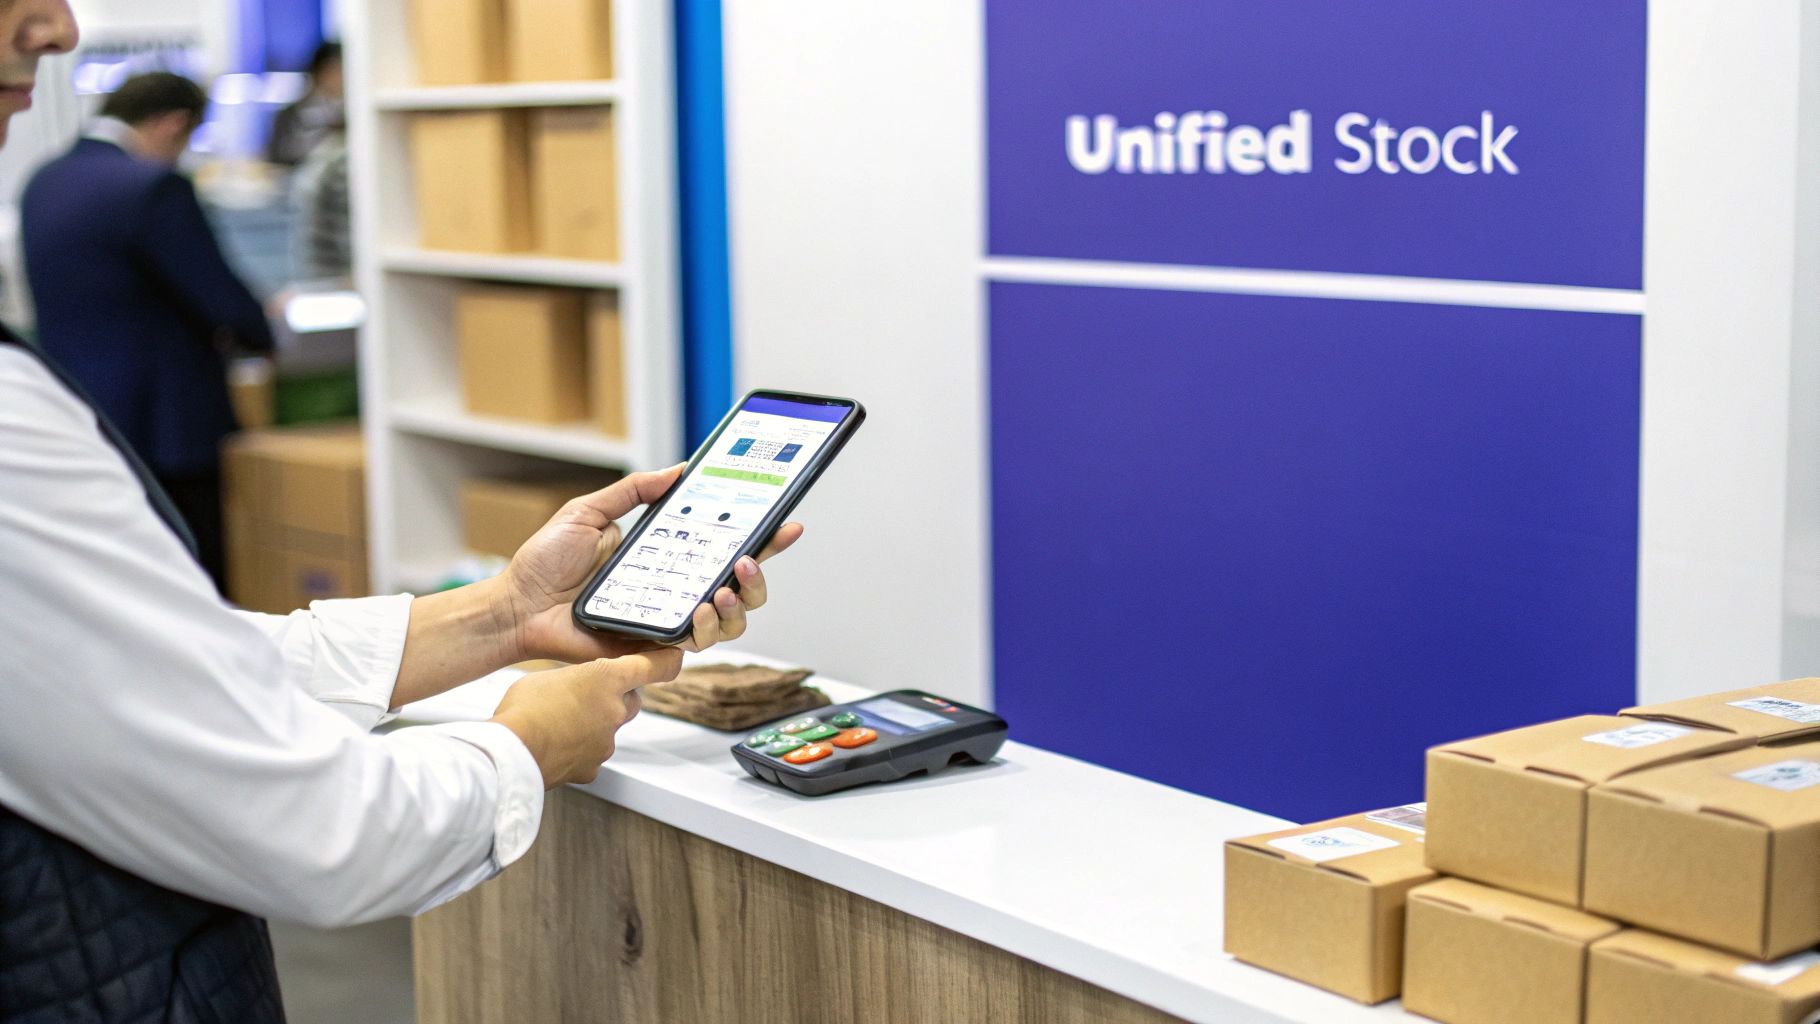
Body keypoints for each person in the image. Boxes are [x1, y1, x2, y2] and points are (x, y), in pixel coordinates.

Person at [0, 3, 804, 1022]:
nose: (60, 27)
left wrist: (506, 611)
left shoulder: (44, 189)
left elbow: (149, 665)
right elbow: (315, 831)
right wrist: (526, 742)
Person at [21, 71, 274, 592]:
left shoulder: (43, 180)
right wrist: (261, 333)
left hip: (79, 414)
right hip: (169, 425)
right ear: (174, 124)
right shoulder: (153, 187)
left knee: (122, 582)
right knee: (195, 580)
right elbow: (220, 299)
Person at [266, 41, 343, 168]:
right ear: (317, 71)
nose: (338, 78)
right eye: (333, 70)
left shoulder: (351, 113)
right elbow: (276, 157)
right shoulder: (290, 112)